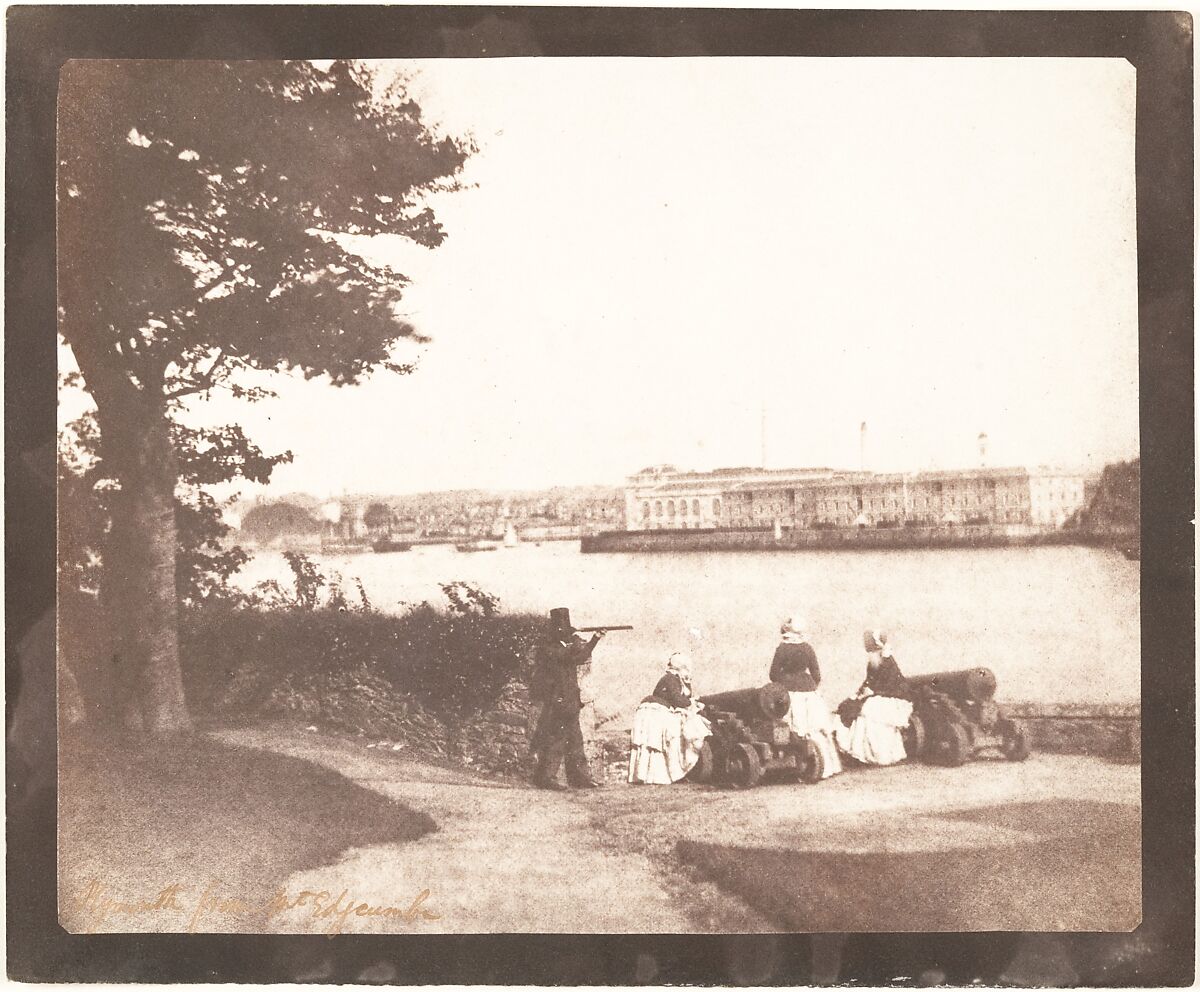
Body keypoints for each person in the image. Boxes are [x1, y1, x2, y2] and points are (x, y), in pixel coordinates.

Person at [530, 607, 604, 790]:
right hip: (558, 701)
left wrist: (595, 638)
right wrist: (575, 639)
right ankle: (547, 778)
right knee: (556, 739)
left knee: (575, 740)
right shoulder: (550, 648)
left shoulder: (563, 646)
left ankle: (580, 778)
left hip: (570, 701)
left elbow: (580, 657)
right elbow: (567, 655)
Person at [769, 614, 842, 778]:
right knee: (815, 729)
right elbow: (816, 675)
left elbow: (773, 674)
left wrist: (785, 682)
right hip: (809, 693)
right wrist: (810, 686)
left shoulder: (782, 648)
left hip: (790, 693)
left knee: (793, 729)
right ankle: (825, 765)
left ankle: (793, 765)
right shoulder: (807, 648)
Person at [628, 653, 712, 784]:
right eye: (686, 667)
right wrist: (693, 704)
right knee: (671, 735)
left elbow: (683, 698)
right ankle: (660, 775)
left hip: (665, 710)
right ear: (680, 667)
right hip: (654, 711)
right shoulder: (670, 678)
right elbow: (677, 699)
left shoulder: (681, 680)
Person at [835, 629, 913, 766]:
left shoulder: (888, 662)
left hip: (894, 700)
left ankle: (879, 754)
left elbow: (891, 686)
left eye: (872, 652)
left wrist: (872, 692)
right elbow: (869, 680)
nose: (870, 655)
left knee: (868, 709)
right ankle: (861, 752)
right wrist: (859, 693)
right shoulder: (873, 663)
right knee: (851, 704)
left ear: (877, 650)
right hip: (879, 695)